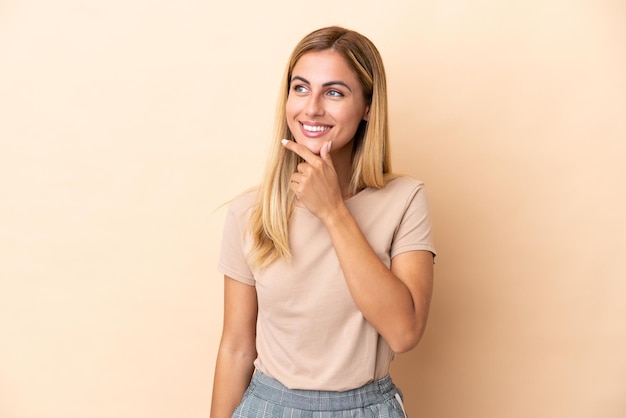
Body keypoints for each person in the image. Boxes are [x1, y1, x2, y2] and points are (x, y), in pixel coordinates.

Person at [210, 26, 436, 418]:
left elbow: (404, 332)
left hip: (366, 408)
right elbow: (236, 347)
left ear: (368, 107)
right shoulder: (250, 212)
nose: (312, 108)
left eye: (334, 92)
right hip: (269, 408)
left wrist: (333, 212)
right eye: (300, 88)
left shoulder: (405, 199)